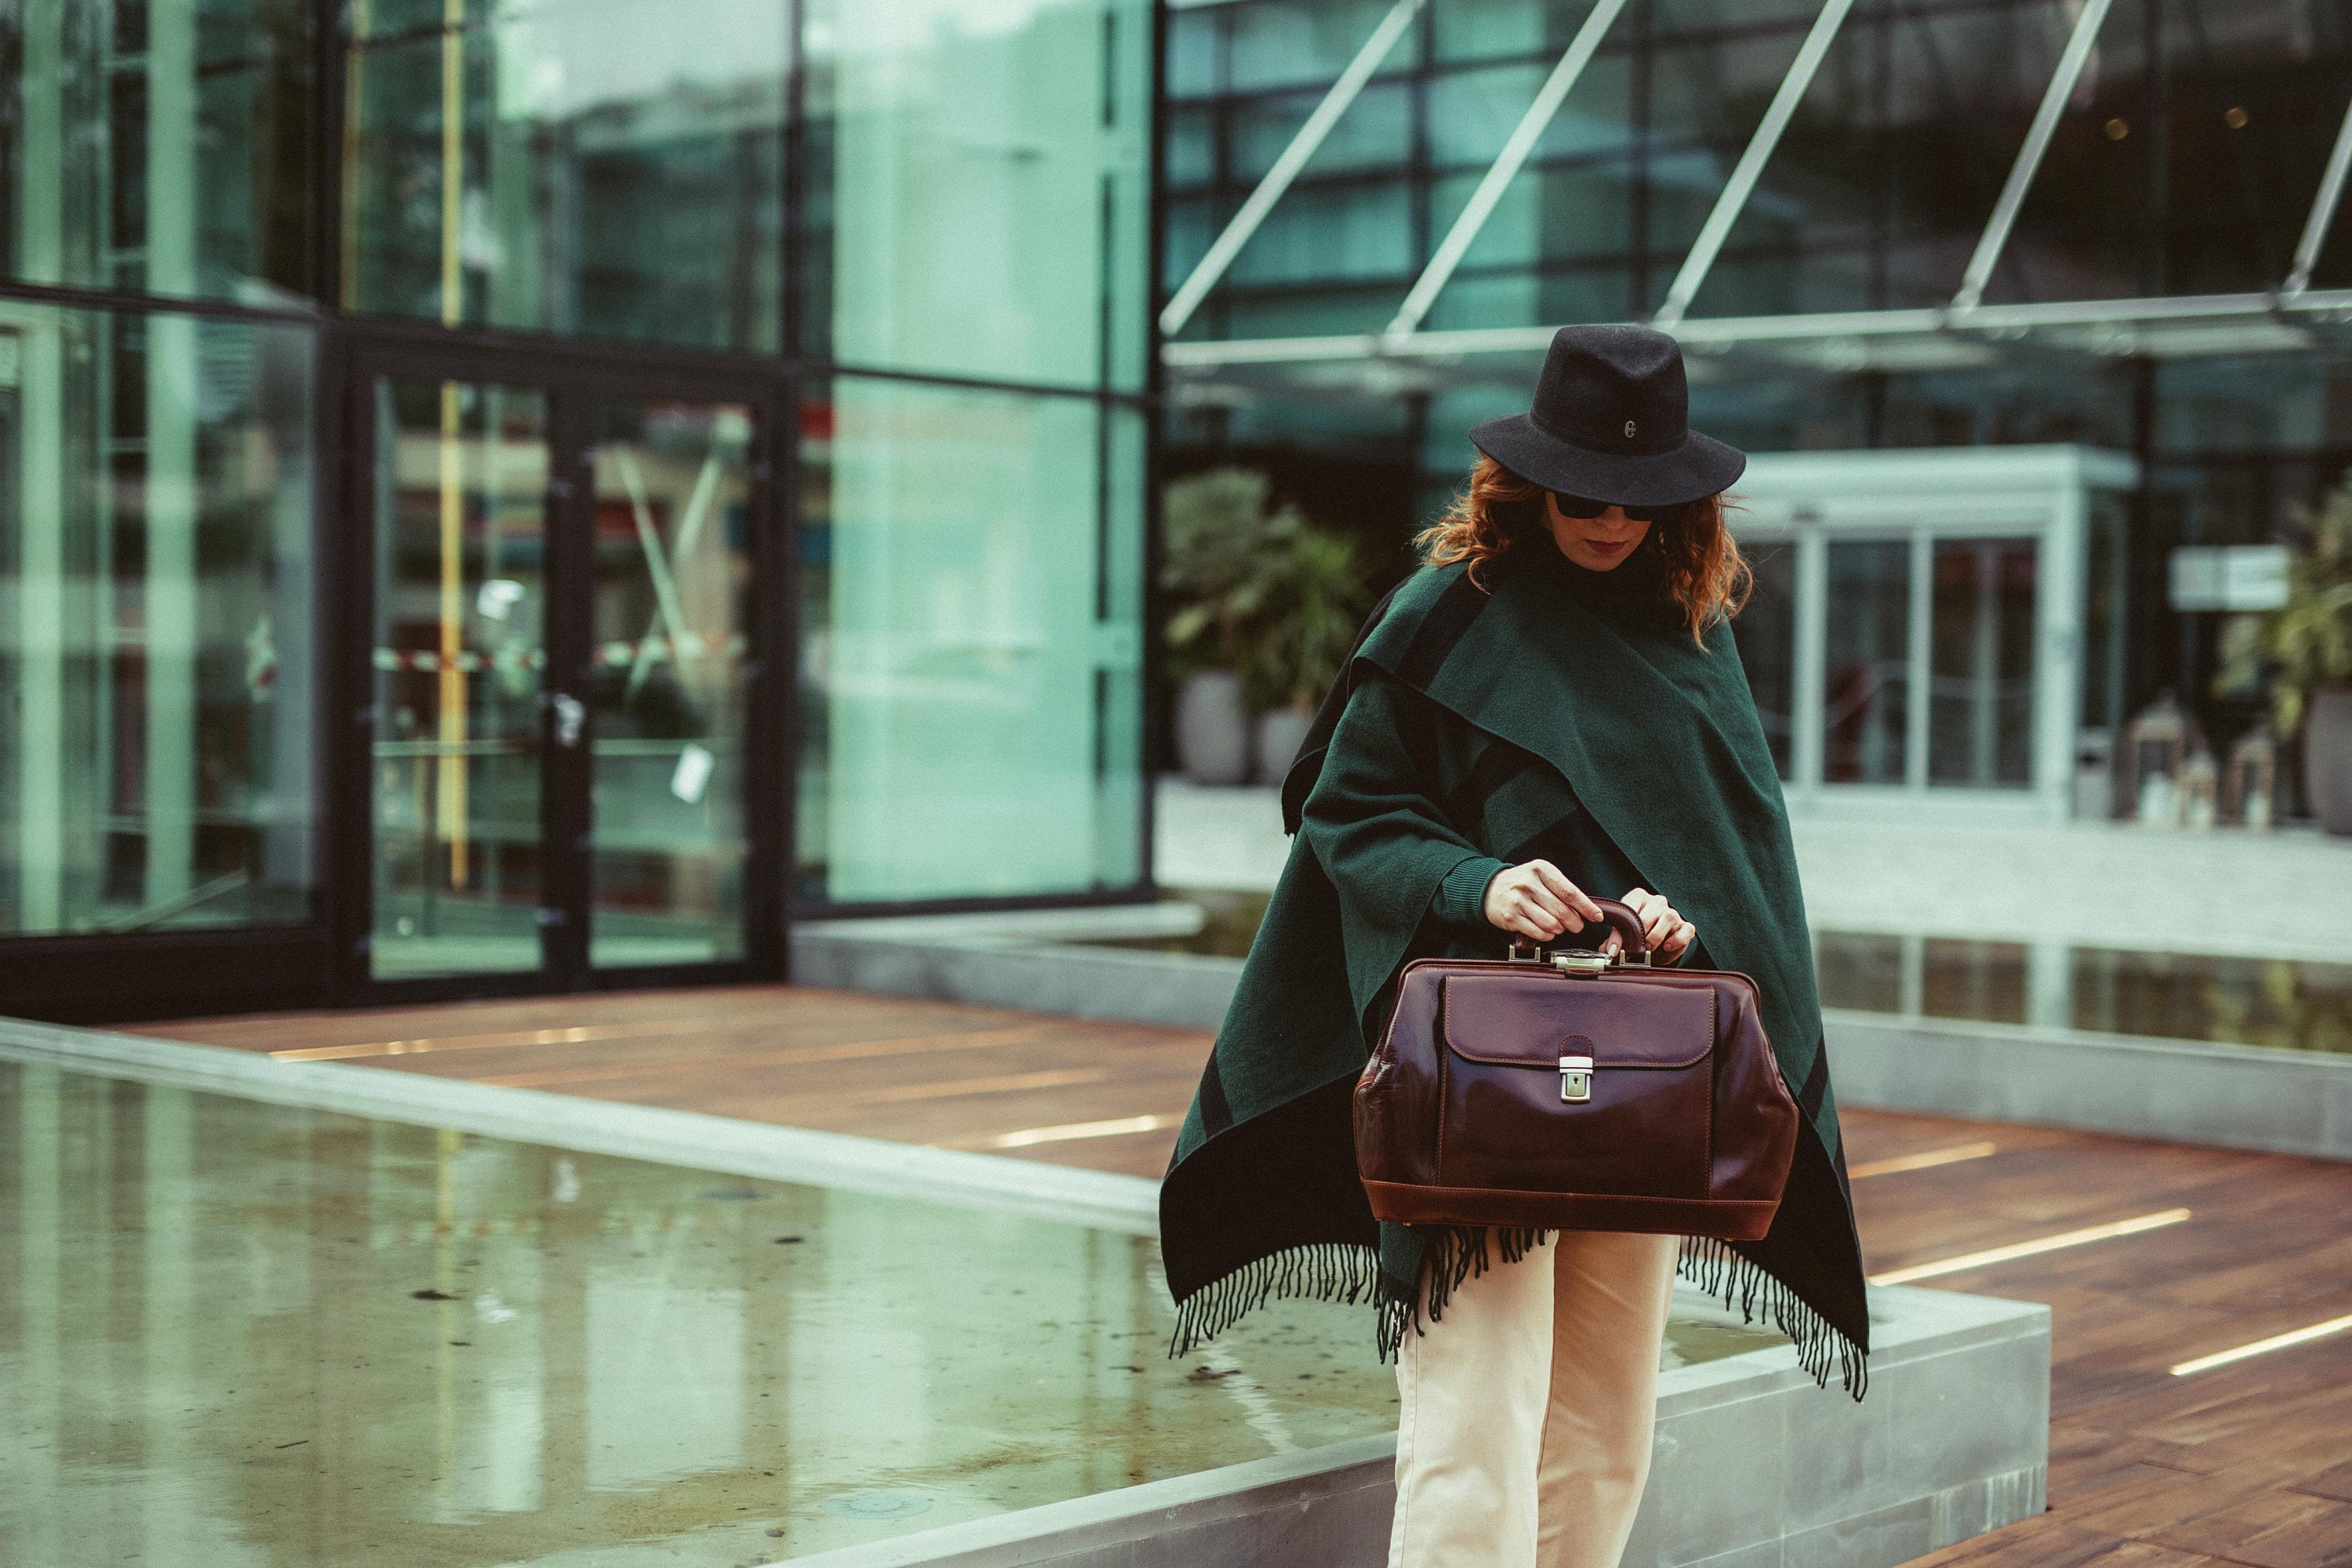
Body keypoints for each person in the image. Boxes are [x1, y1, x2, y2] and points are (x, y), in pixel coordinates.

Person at [1157, 324, 1870, 1568]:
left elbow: (1728, 857)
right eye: (1585, 491)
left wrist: (1668, 922)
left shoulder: (1687, 638)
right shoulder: (1446, 617)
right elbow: (1348, 810)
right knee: (1473, 1423)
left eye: (1643, 500)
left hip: (1642, 1079)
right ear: (1530, 479)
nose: (1609, 519)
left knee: (1606, 1428)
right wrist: (1481, 884)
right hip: (1480, 1080)